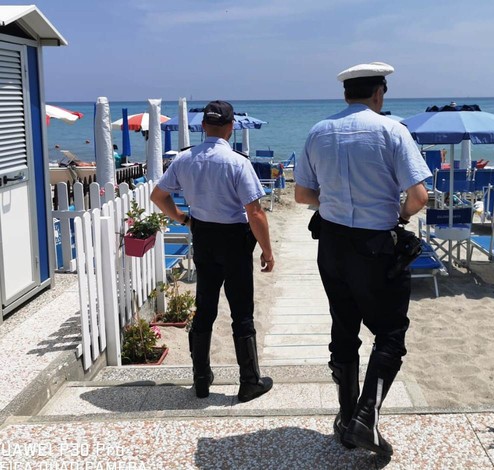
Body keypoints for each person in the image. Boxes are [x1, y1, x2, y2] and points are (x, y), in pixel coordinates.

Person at [294, 62, 431, 457]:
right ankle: (365, 419)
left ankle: (345, 417)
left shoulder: (318, 132)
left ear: (345, 95)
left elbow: (303, 195)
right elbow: (418, 197)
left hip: (332, 245)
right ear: (379, 94)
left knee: (344, 327)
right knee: (390, 333)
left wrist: (335, 203)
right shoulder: (392, 131)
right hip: (375, 245)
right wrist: (399, 216)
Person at [150, 100, 274, 402]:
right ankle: (249, 381)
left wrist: (182, 218)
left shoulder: (184, 160)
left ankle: (201, 378)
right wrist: (268, 251)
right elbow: (255, 211)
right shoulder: (237, 162)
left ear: (203, 126)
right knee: (241, 311)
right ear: (231, 128)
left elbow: (158, 195)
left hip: (203, 235)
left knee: (205, 308)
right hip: (235, 238)